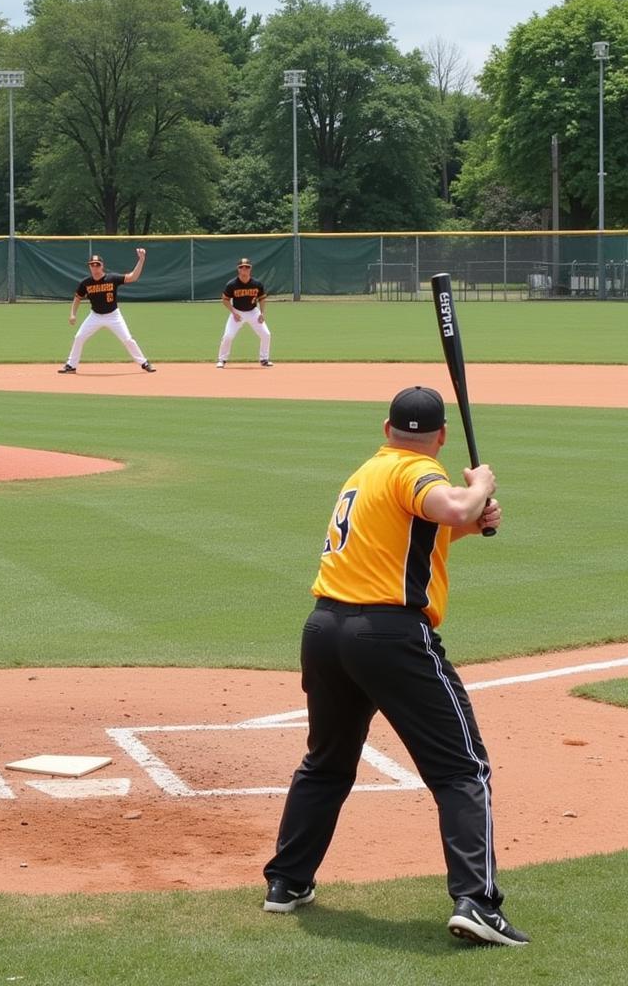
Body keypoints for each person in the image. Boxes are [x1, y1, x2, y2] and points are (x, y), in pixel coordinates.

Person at [262, 386, 528, 947]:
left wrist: (470, 522)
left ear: (386, 428)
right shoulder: (417, 472)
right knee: (463, 769)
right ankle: (478, 903)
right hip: (389, 636)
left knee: (326, 763)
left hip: (325, 630)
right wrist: (476, 490)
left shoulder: (367, 473)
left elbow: (409, 536)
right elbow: (448, 503)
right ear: (441, 437)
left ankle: (287, 881)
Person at [57, 250, 156, 374]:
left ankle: (144, 363)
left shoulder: (112, 278)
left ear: (102, 265)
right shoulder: (86, 283)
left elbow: (133, 277)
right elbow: (78, 297)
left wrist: (141, 260)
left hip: (113, 316)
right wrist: (73, 313)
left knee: (127, 339)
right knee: (79, 337)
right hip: (95, 316)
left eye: (97, 264)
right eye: (92, 264)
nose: (94, 267)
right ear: (89, 266)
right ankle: (71, 366)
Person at [216, 258, 272, 368]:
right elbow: (225, 299)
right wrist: (233, 312)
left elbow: (262, 299)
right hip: (238, 312)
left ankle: (264, 359)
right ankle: (222, 360)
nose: (244, 269)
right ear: (238, 270)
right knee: (228, 336)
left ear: (250, 269)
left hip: (253, 312)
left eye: (247, 267)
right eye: (242, 267)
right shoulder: (232, 284)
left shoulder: (257, 284)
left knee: (266, 334)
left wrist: (262, 313)